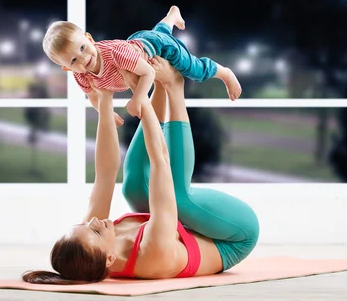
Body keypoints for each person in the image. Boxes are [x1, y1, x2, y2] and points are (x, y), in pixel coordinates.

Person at [22, 57, 259, 284]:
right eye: (94, 230)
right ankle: (175, 86)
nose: (94, 220)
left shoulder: (93, 242)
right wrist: (142, 97)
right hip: (234, 236)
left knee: (133, 187)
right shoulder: (153, 255)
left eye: (84, 224)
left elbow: (105, 173)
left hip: (193, 230)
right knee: (178, 195)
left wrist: (105, 99)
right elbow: (160, 161)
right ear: (110, 259)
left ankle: (159, 84)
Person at [42, 6, 242, 126]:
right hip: (138, 44)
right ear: (68, 69)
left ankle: (224, 72)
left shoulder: (114, 54)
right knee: (158, 33)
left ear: (89, 38)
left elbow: (147, 72)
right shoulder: (82, 76)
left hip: (157, 47)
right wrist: (106, 113)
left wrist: (138, 98)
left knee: (193, 69)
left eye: (83, 48)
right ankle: (171, 16)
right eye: (74, 61)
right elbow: (94, 96)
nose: (83, 58)